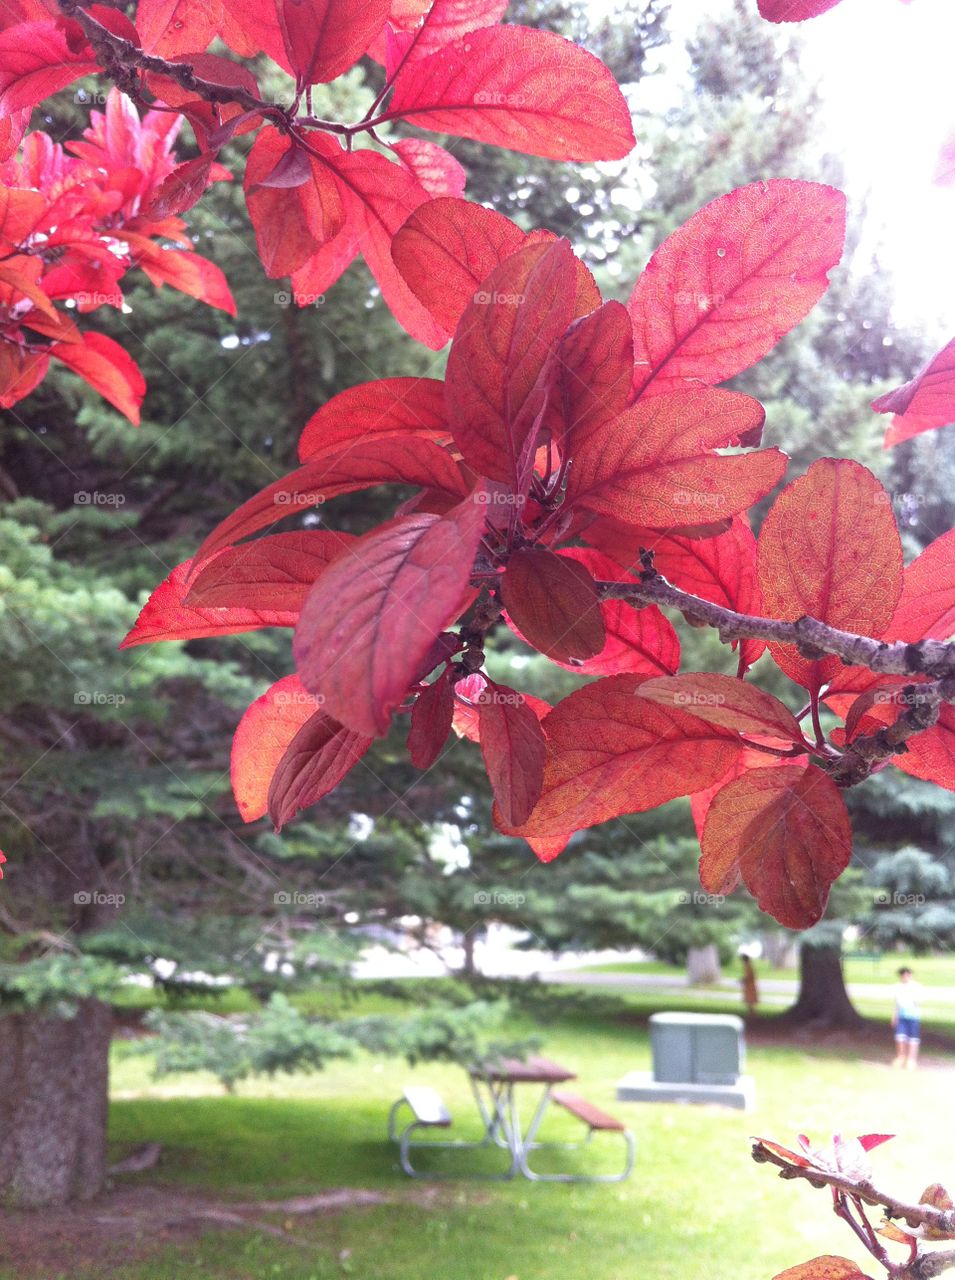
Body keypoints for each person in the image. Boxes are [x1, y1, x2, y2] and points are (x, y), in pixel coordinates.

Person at [891, 967, 922, 1069]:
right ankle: (901, 1057)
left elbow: (917, 1002)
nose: (905, 977)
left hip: (913, 1016)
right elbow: (897, 1004)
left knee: (913, 1039)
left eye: (907, 975)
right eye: (903, 975)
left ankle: (911, 1060)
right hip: (902, 1016)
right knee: (900, 1037)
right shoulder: (897, 987)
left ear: (910, 975)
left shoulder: (916, 987)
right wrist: (894, 1016)